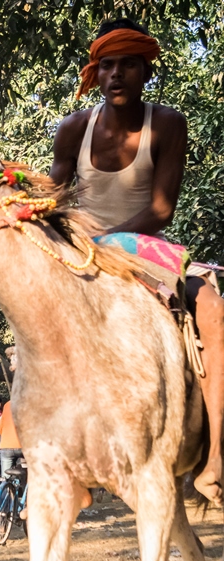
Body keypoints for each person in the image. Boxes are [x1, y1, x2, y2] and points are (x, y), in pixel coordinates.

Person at [49, 17, 224, 505]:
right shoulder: (73, 130)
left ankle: (213, 460)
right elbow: (55, 200)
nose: (117, 74)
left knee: (212, 311)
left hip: (146, 244)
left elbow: (162, 209)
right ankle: (46, 458)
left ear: (146, 70)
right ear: (95, 73)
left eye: (129, 64)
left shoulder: (166, 123)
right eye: (108, 65)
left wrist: (111, 239)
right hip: (84, 249)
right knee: (32, 316)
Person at [0, 400, 22, 476]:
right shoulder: (31, 402)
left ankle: (6, 485)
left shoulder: (7, 404)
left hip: (6, 445)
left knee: (5, 477)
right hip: (23, 446)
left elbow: (0, 428)